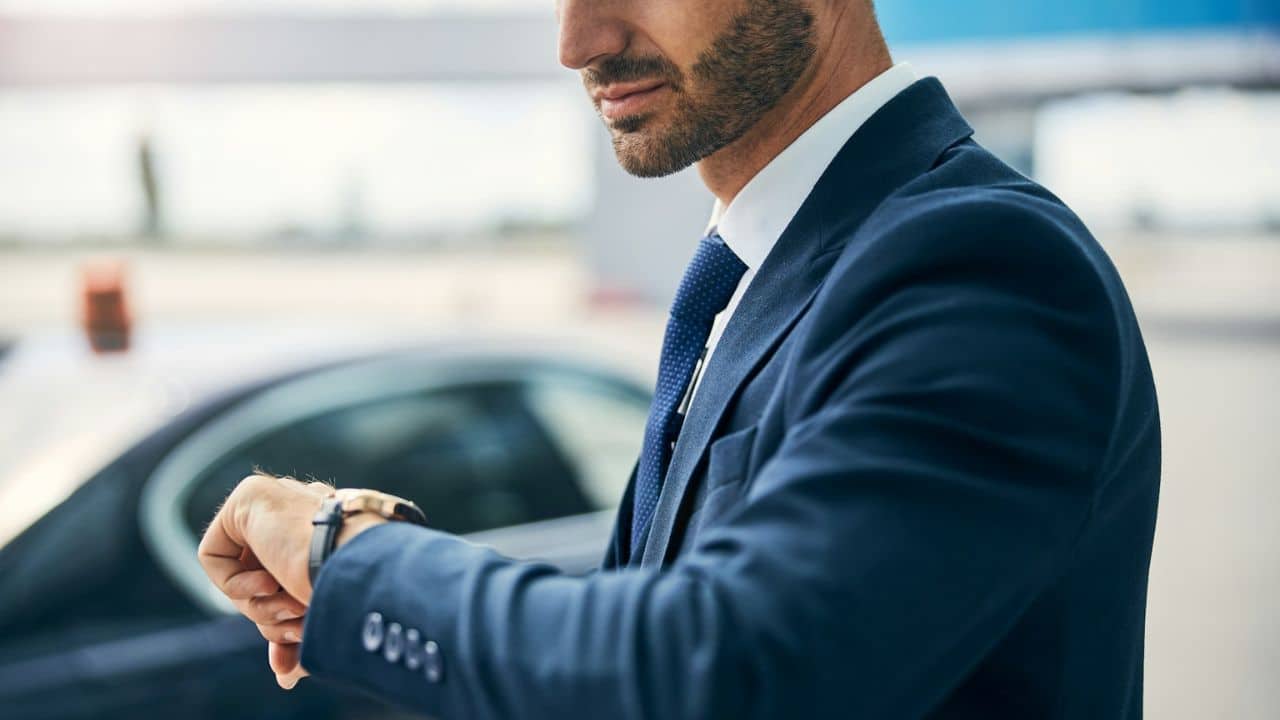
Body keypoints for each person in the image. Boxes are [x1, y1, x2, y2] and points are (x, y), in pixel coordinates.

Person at [198, 1, 1161, 717]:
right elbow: (660, 613)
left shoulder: (984, 266)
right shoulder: (761, 270)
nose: (578, 43)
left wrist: (349, 560)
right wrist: (361, 549)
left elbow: (722, 668)